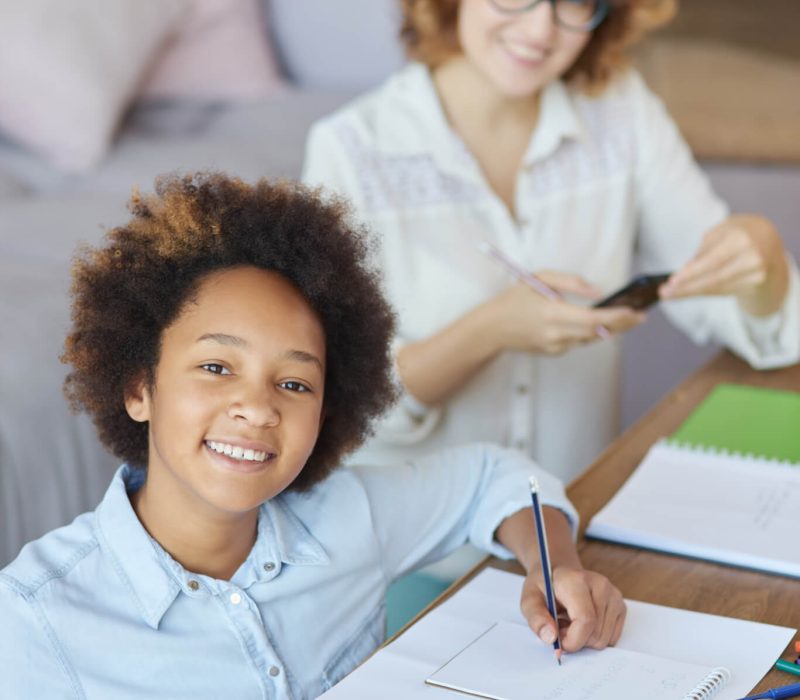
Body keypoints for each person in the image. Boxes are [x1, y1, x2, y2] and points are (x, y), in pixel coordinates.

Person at [0, 173, 625, 699]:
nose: (258, 409)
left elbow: (497, 479)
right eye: (216, 367)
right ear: (140, 388)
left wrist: (554, 566)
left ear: (327, 413)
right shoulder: (34, 619)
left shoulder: (349, 519)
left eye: (295, 384)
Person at [302, 0, 800, 484]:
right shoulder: (349, 151)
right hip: (414, 533)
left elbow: (746, 315)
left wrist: (765, 265)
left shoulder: (622, 113)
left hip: (575, 517)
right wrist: (489, 331)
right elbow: (329, 403)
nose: (541, 29)